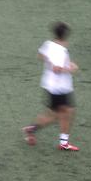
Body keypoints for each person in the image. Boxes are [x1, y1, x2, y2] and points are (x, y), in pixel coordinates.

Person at [23, 22, 78, 151]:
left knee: (61, 113)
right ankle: (61, 142)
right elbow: (57, 69)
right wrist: (71, 68)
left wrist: (52, 60)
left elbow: (40, 55)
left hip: (50, 85)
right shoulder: (61, 51)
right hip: (59, 88)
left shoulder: (48, 44)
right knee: (62, 114)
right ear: (66, 35)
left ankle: (33, 130)